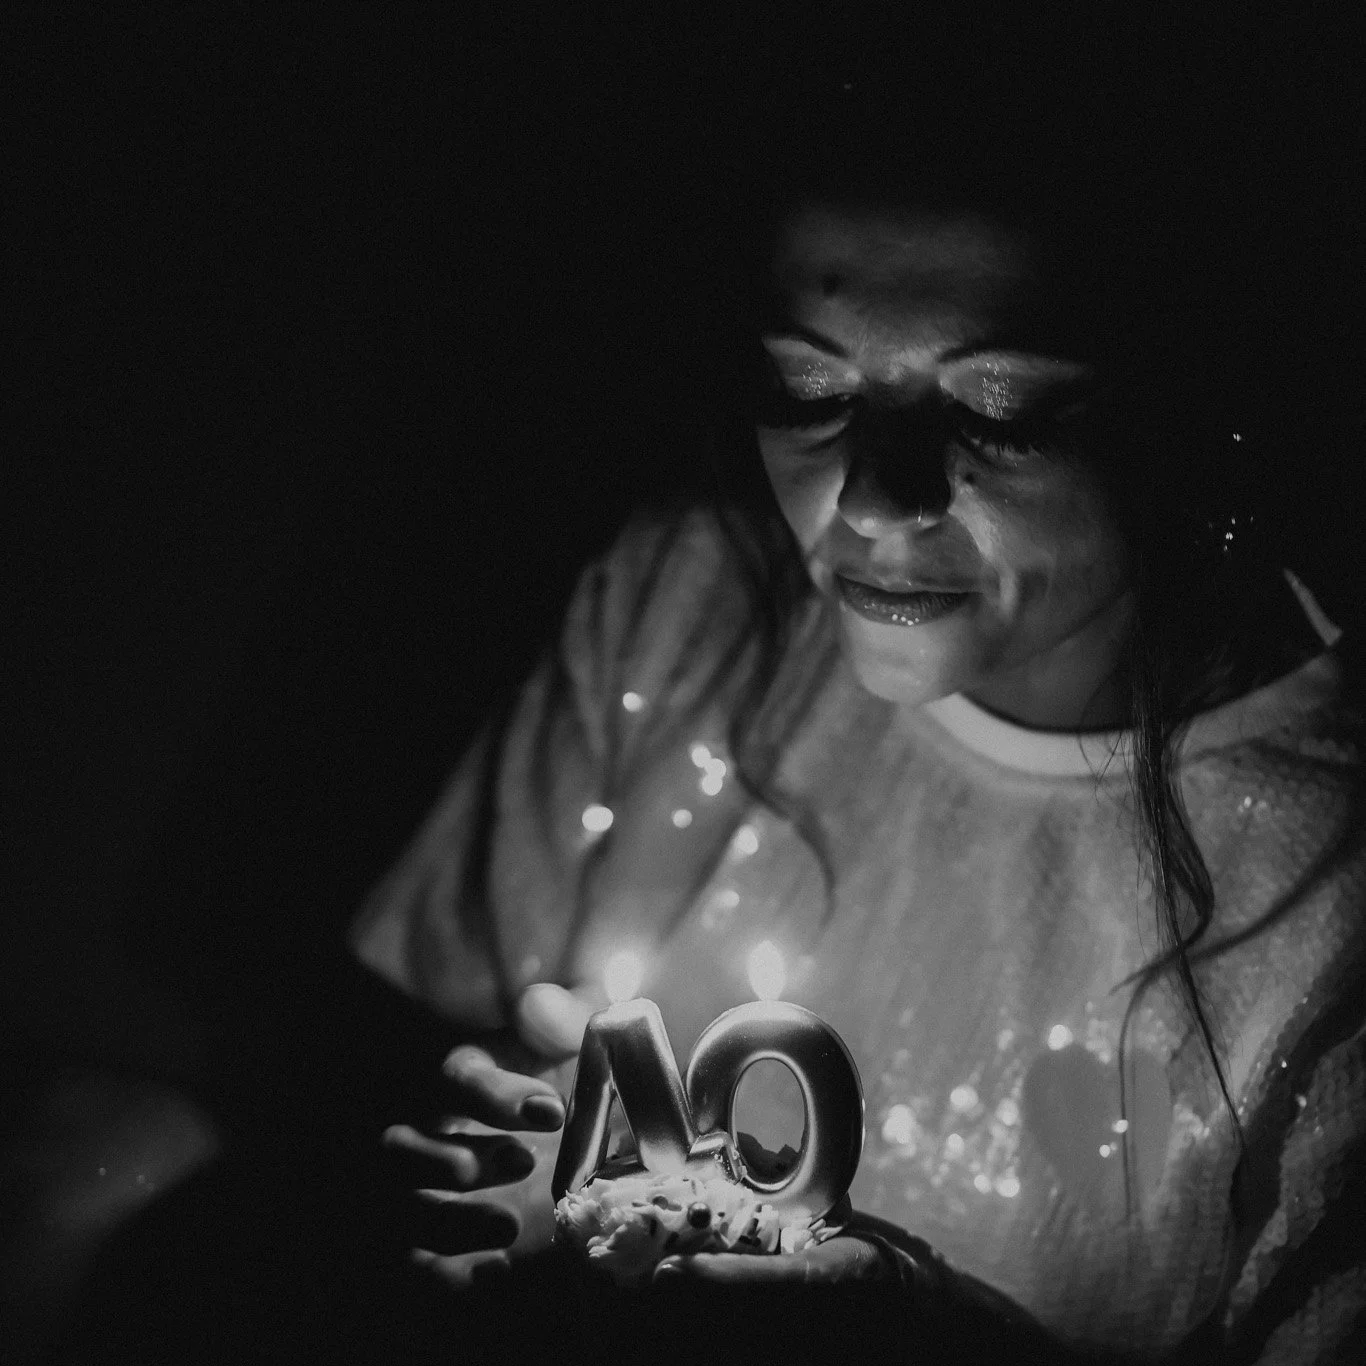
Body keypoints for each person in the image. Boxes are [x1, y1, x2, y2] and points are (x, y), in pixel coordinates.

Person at [349, 27, 1365, 1365]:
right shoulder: (690, 601)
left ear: (1203, 415)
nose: (876, 498)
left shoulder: (1321, 878)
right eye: (806, 389)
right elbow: (382, 1070)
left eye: (1001, 411)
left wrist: (925, 1333)